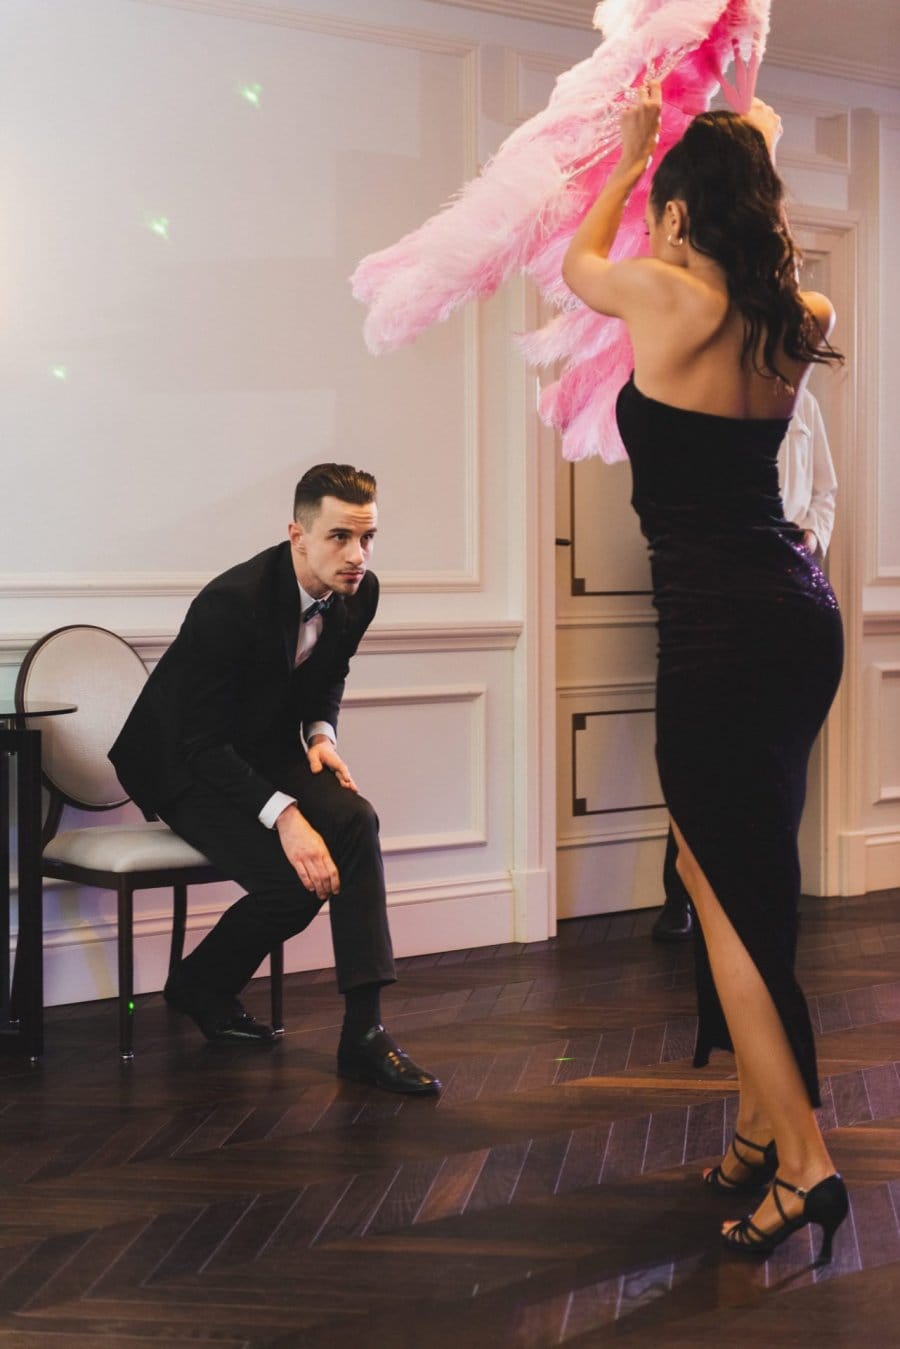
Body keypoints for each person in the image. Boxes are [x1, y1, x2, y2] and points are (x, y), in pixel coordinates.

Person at [563, 87, 848, 1260]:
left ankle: (809, 1162)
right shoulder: (800, 311)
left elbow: (583, 261)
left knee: (728, 897)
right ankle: (752, 1123)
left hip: (720, 630)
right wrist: (734, 138)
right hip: (798, 614)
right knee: (731, 869)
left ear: (680, 215)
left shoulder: (661, 293)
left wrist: (629, 161)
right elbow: (744, 182)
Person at [109, 463, 440, 1096]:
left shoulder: (359, 591)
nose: (358, 555)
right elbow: (199, 743)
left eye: (368, 538)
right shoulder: (229, 603)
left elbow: (327, 675)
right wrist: (285, 817)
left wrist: (321, 735)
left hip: (262, 745)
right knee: (293, 885)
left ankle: (365, 1036)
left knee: (355, 819)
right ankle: (201, 985)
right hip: (181, 759)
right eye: (340, 537)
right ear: (298, 535)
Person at [652, 385, 838, 943]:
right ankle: (681, 890)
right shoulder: (703, 395)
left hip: (790, 594)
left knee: (771, 753)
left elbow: (825, 490)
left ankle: (760, 893)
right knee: (701, 743)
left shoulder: (806, 399)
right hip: (715, 589)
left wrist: (809, 538)